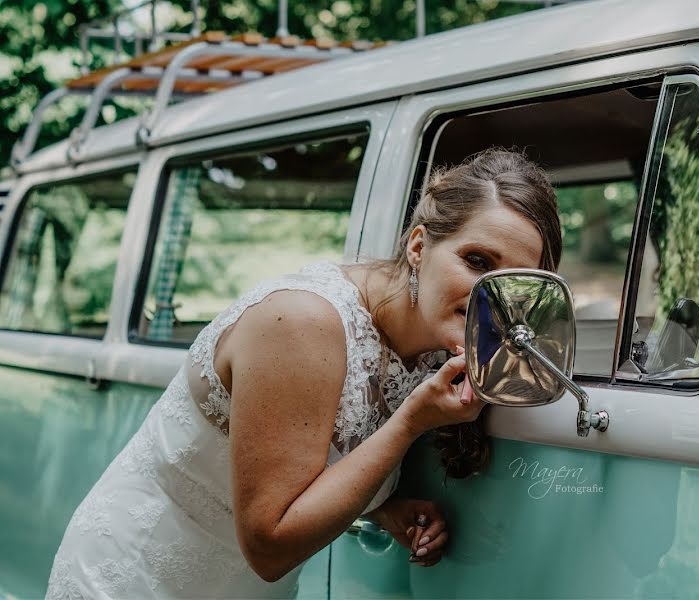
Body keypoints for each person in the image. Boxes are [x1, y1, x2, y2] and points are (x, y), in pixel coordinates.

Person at [45, 148, 562, 598]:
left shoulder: (440, 343)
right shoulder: (301, 322)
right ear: (419, 246)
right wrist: (410, 422)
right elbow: (269, 546)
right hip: (136, 577)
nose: (489, 298)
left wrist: (384, 508)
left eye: (513, 282)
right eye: (476, 261)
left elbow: (302, 468)